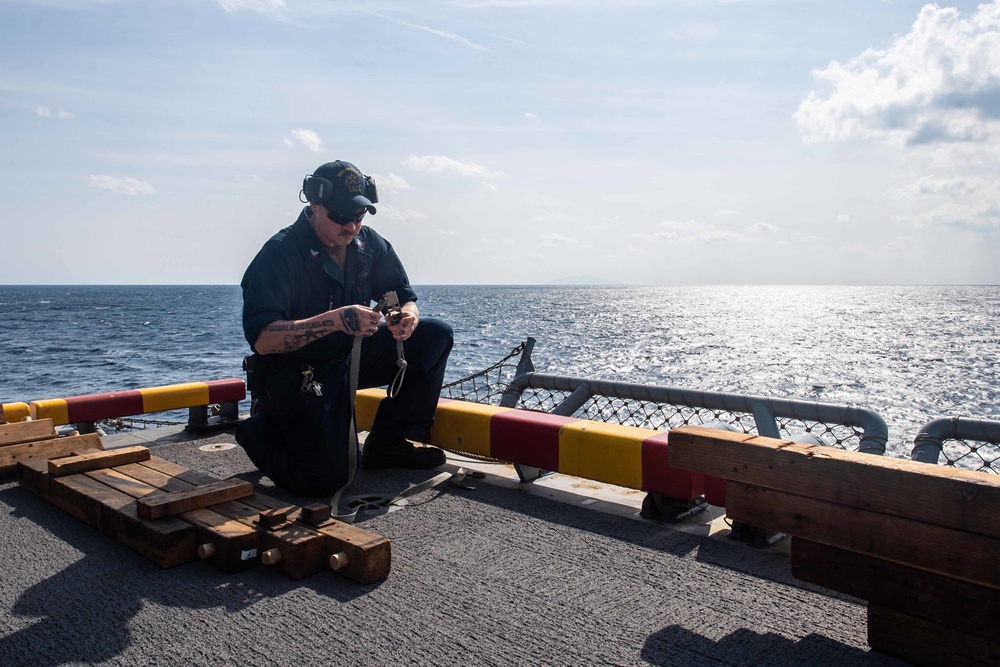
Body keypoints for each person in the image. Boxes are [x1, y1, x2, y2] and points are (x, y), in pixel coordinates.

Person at [235, 159, 454, 497]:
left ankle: (389, 442)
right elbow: (263, 340)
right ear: (314, 204)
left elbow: (401, 295)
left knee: (434, 335)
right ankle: (259, 430)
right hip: (298, 372)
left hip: (349, 359)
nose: (351, 226)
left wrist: (405, 317)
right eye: (341, 217)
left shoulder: (369, 244)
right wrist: (337, 320)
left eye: (359, 216)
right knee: (327, 479)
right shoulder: (279, 254)